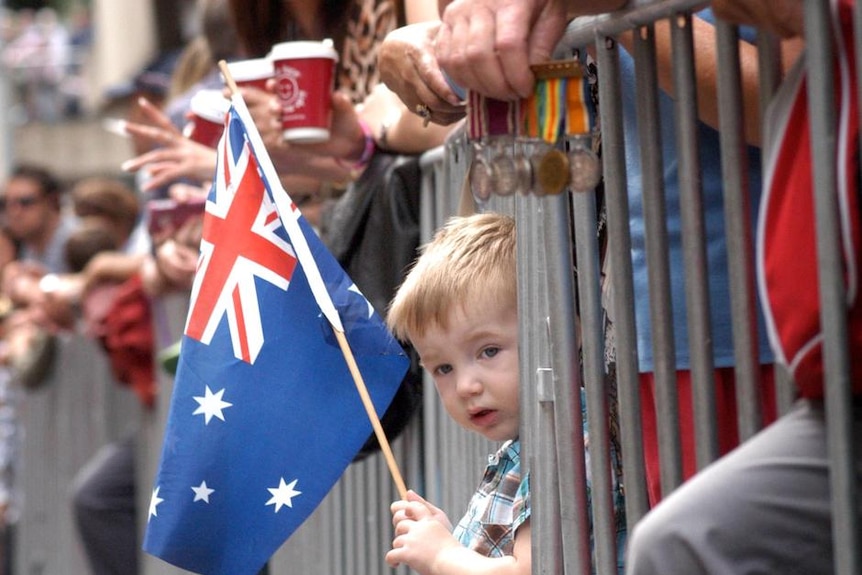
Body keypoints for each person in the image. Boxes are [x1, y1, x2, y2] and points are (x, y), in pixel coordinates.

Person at [625, 0, 862, 572]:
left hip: (763, 324)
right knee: (674, 540)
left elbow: (778, 90)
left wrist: (627, 11)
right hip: (663, 310)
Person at [384, 212, 625, 574]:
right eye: (443, 368)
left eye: (489, 351)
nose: (466, 386)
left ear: (558, 336)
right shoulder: (530, 444)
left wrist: (442, 556)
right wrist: (451, 538)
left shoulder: (565, 446)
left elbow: (534, 570)